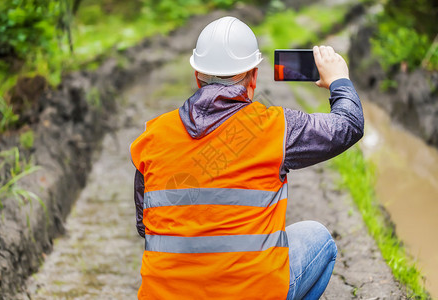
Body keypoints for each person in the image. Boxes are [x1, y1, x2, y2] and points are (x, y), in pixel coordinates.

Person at [130, 16, 363, 300]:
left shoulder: (154, 136)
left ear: (197, 76)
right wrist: (339, 79)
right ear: (253, 77)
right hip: (251, 293)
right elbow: (348, 125)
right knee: (319, 238)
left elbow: (147, 226)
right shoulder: (275, 127)